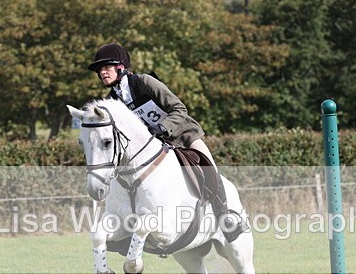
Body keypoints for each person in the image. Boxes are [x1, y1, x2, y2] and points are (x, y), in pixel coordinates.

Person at [87, 42, 247, 242]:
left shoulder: (144, 82)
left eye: (106, 67)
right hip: (154, 146)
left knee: (208, 166)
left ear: (121, 67)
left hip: (183, 135)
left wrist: (162, 127)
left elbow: (179, 109)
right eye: (100, 70)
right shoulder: (112, 101)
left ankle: (226, 215)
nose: (102, 73)